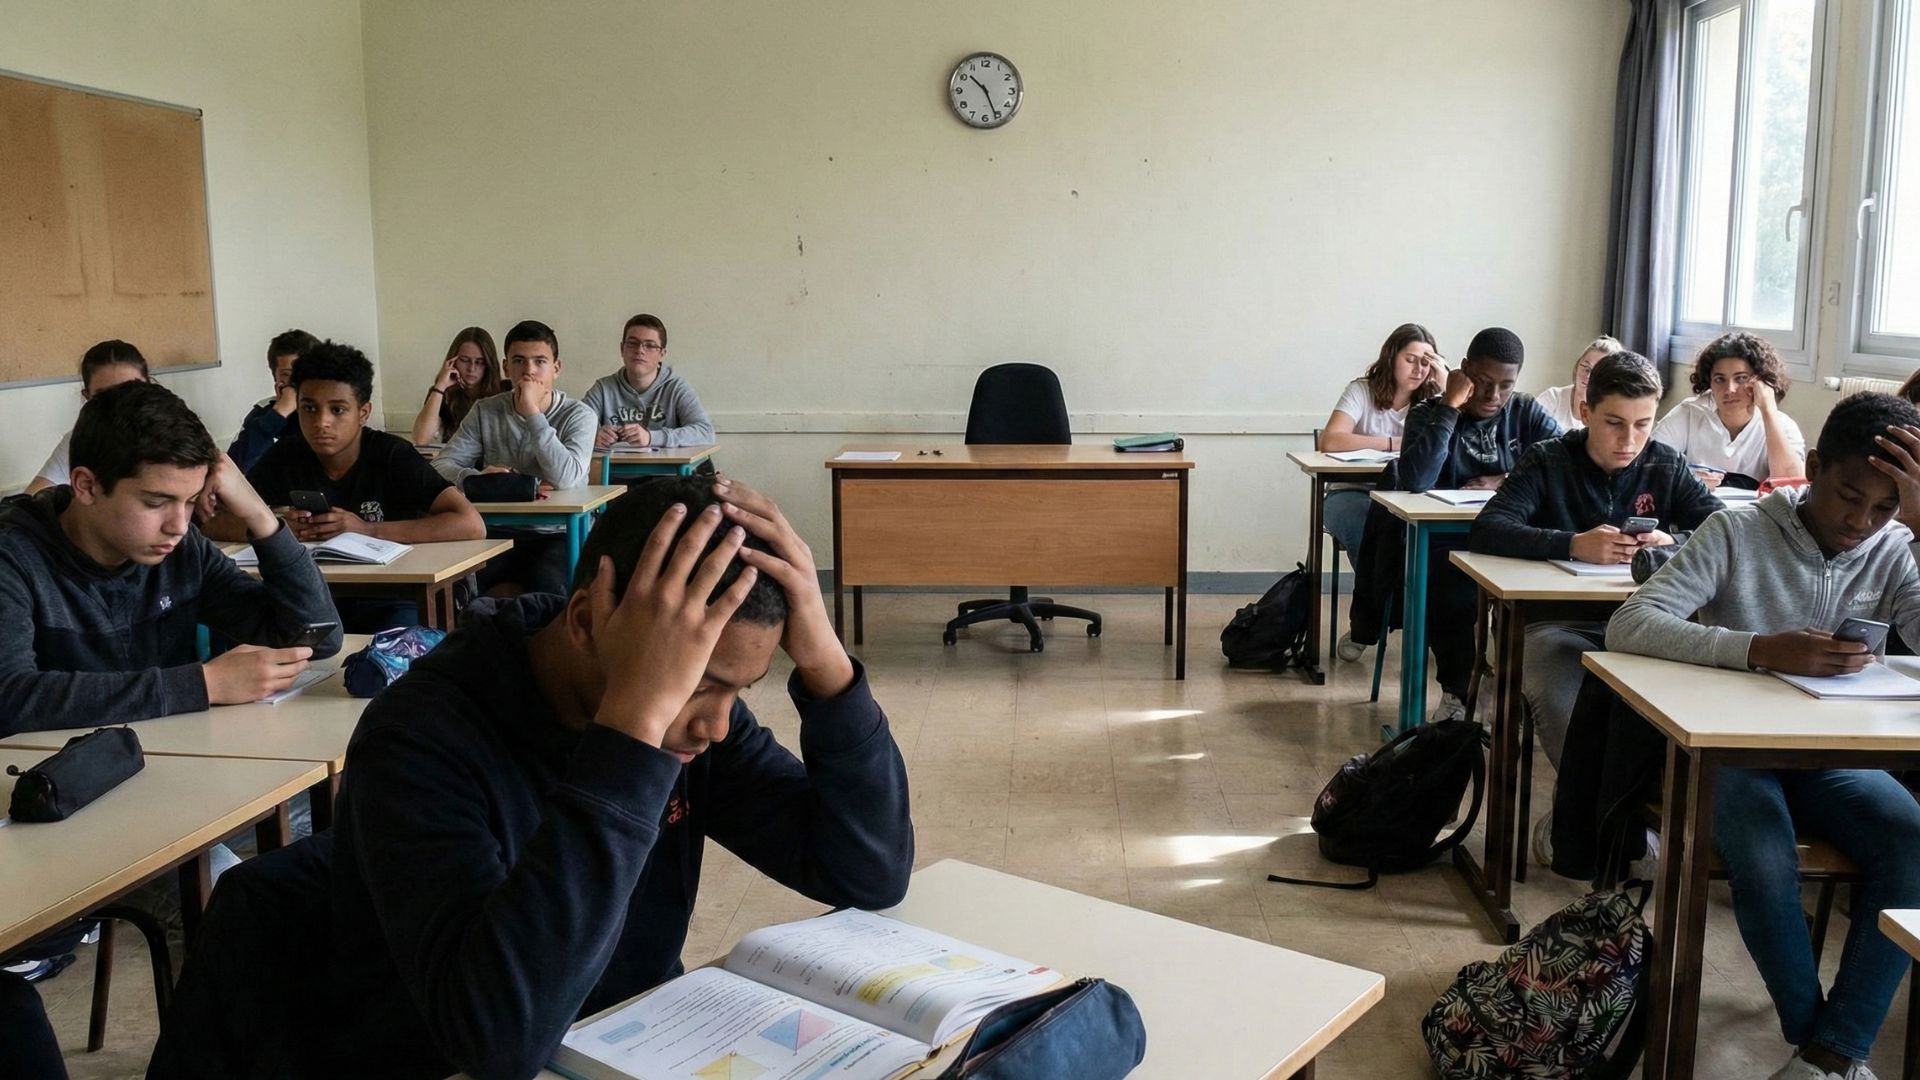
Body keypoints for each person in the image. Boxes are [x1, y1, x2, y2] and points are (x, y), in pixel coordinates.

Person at [314, 475, 912, 1078]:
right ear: (584, 622)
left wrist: (827, 666)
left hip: (634, 1042)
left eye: (739, 690)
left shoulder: (694, 718)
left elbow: (868, 872)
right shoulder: (417, 740)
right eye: (698, 686)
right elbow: (498, 1042)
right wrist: (633, 731)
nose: (717, 726)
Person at [1606, 391, 1920, 1080]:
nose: (1861, 521)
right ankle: (1825, 1048)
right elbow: (1630, 623)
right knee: (1763, 853)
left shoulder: (1893, 549)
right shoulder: (1737, 530)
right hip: (1729, 755)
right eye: (1848, 497)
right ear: (1814, 467)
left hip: (1826, 757)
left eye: (1885, 508)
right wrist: (1757, 649)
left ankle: (1829, 1055)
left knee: (1912, 840)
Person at [0, 380, 342, 735]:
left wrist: (261, 518)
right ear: (87, 486)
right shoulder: (13, 555)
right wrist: (204, 684)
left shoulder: (182, 550)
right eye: (155, 503)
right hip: (54, 766)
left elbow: (316, 637)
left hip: (170, 755)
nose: (178, 525)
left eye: (191, 501)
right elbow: (8, 697)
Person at [1467, 350, 1720, 770]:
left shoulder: (1665, 463)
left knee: (1683, 725)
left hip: (1647, 625)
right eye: (1614, 423)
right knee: (1572, 725)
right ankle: (1583, 808)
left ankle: (1637, 807)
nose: (1629, 441)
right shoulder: (1547, 459)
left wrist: (1670, 541)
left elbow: (1724, 535)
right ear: (1586, 413)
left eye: (1643, 424)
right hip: (1553, 623)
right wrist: (1571, 544)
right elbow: (1488, 529)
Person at [214, 340, 487, 631]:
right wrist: (275, 530)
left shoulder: (392, 455)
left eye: (338, 410)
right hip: (314, 601)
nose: (322, 422)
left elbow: (470, 524)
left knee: (392, 646)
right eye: (309, 408)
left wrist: (368, 530)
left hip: (397, 598)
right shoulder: (286, 455)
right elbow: (213, 520)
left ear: (363, 413)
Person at [1367, 326, 1562, 721]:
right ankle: (1459, 690)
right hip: (1444, 541)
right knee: (1449, 586)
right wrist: (1450, 407)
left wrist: (1504, 479)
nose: (1493, 396)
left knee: (1539, 590)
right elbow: (1417, 478)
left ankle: (1514, 690)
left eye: (1505, 386)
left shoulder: (1525, 412)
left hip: (1507, 538)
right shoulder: (1428, 413)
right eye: (1484, 382)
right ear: (1464, 370)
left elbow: (1563, 464)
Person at [433, 320, 598, 596]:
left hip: (557, 533)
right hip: (496, 530)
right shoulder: (485, 410)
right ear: (506, 367)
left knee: (549, 590)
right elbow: (440, 465)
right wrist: (476, 478)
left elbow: (565, 478)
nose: (529, 371)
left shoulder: (579, 415)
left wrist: (532, 413)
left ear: (556, 368)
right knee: (455, 588)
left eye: (540, 362)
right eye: (519, 361)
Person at [1652, 332, 1806, 489]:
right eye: (1720, 379)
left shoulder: (1782, 425)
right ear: (1710, 383)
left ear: (1760, 381)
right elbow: (1648, 465)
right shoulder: (1689, 413)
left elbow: (1792, 486)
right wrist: (1686, 480)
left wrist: (1768, 410)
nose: (1729, 389)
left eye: (1741, 378)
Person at [25, 339, 153, 495]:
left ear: (149, 387)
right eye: (104, 396)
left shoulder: (172, 435)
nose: (119, 403)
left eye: (130, 390)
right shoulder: (83, 439)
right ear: (87, 397)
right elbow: (32, 498)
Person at [583, 313, 715, 450]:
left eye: (650, 345)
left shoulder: (676, 388)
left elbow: (705, 432)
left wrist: (651, 438)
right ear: (622, 349)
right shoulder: (603, 389)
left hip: (666, 465)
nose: (640, 350)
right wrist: (593, 435)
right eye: (632, 343)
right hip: (614, 465)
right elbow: (574, 426)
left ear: (662, 354)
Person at [229, 328, 320, 472]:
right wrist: (279, 413)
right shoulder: (263, 412)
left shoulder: (329, 412)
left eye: (305, 372)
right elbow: (234, 469)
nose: (297, 380)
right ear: (275, 377)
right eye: (287, 374)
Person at [410, 326, 504, 446]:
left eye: (480, 362)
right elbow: (420, 438)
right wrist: (440, 387)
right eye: (465, 360)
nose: (472, 368)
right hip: (456, 456)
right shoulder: (444, 394)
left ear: (489, 364)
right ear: (453, 361)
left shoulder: (504, 391)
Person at [1532, 335, 1622, 432]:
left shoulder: (1612, 416)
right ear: (1577, 366)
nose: (1588, 376)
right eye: (1586, 369)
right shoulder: (1553, 398)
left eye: (1597, 373)